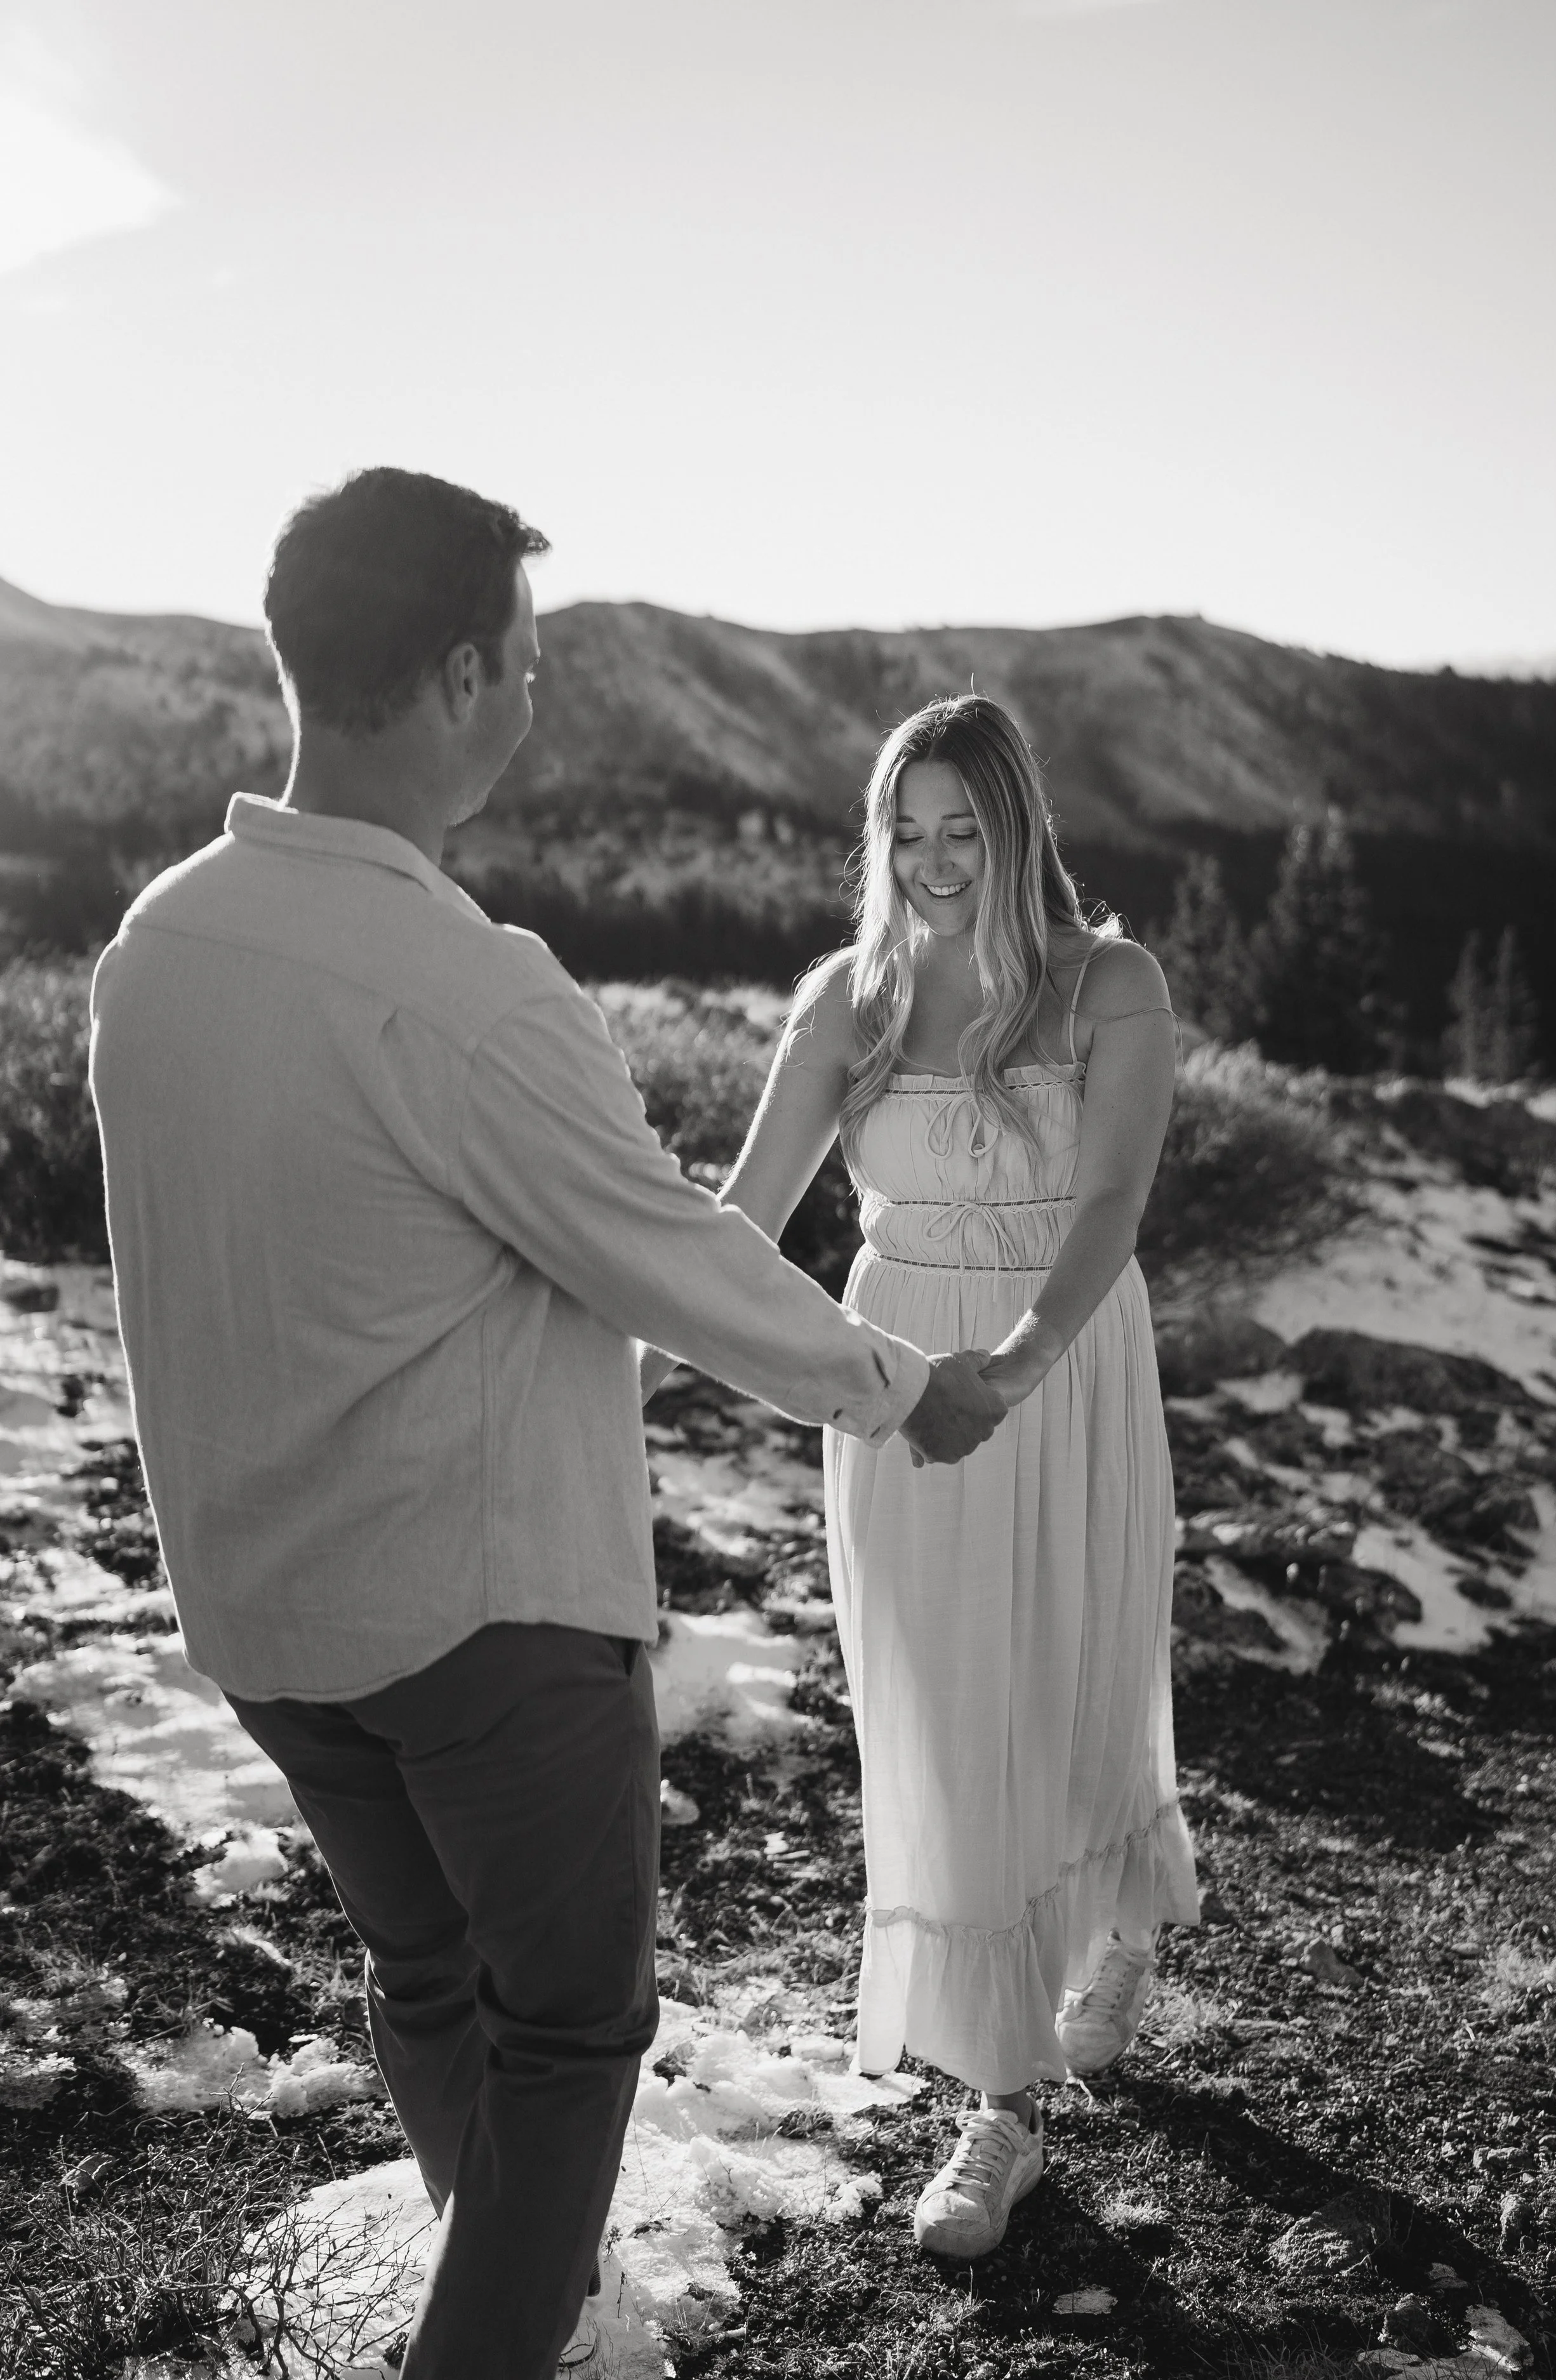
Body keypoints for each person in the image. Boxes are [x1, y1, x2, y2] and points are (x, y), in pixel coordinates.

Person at [87, 469, 1005, 2380]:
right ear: (449, 678)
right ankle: (518, 2326)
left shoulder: (154, 946)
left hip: (262, 1614)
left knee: (426, 1972)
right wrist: (904, 1388)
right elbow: (669, 1250)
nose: (530, 695)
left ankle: (525, 2296)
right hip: (481, 1616)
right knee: (570, 2035)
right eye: (519, 661)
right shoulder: (468, 991)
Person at [665, 692, 1200, 2261]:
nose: (934, 859)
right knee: (943, 1713)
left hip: (1065, 1360)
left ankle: (1116, 1920)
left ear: (1017, 827)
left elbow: (1108, 1210)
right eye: (907, 832)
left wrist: (1016, 1367)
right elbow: (740, 1218)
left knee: (1074, 1667)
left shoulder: (1109, 985)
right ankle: (1002, 2097)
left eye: (963, 828)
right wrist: (618, 1362)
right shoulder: (849, 997)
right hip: (896, 1379)